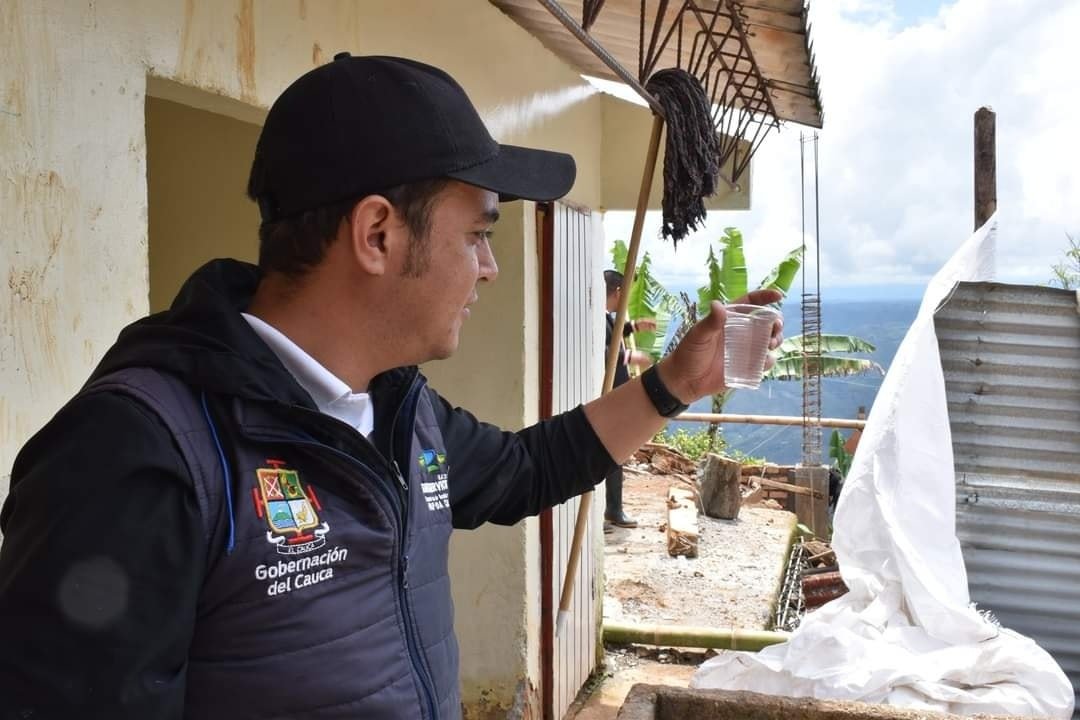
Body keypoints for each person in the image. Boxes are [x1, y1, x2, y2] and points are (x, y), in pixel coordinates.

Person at [0, 54, 781, 720]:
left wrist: (677, 382)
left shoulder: (400, 409)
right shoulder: (137, 451)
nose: (489, 266)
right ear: (378, 234)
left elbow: (523, 471)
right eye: (477, 233)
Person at [602, 269, 655, 531]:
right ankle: (613, 508)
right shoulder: (597, 318)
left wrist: (634, 327)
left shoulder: (605, 317)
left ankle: (614, 507)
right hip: (608, 395)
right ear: (619, 292)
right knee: (613, 452)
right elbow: (600, 352)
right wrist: (629, 358)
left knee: (616, 453)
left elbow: (612, 335)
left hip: (615, 393)